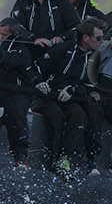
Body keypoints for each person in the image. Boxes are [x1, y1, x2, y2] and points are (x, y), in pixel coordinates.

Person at [34, 18, 107, 174]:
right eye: (98, 38)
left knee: (88, 113)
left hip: (73, 96)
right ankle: (57, 160)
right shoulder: (64, 49)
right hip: (52, 94)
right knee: (65, 115)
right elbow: (39, 66)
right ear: (86, 38)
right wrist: (40, 83)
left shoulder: (94, 56)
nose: (102, 41)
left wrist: (73, 89)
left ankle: (82, 160)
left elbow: (90, 83)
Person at [0, 16, 44, 166]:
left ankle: (20, 156)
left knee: (15, 115)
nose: (0, 37)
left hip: (16, 91)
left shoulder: (21, 50)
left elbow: (9, 61)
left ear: (13, 35)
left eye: (4, 35)